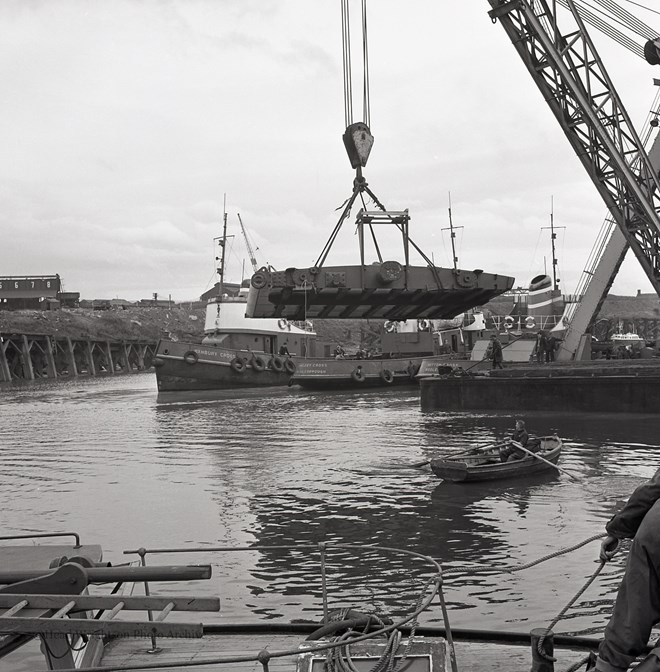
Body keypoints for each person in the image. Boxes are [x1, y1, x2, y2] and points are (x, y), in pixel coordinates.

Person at [590, 468, 660, 672]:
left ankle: (605, 667)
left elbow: (651, 490)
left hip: (653, 530)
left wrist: (617, 530)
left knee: (632, 611)